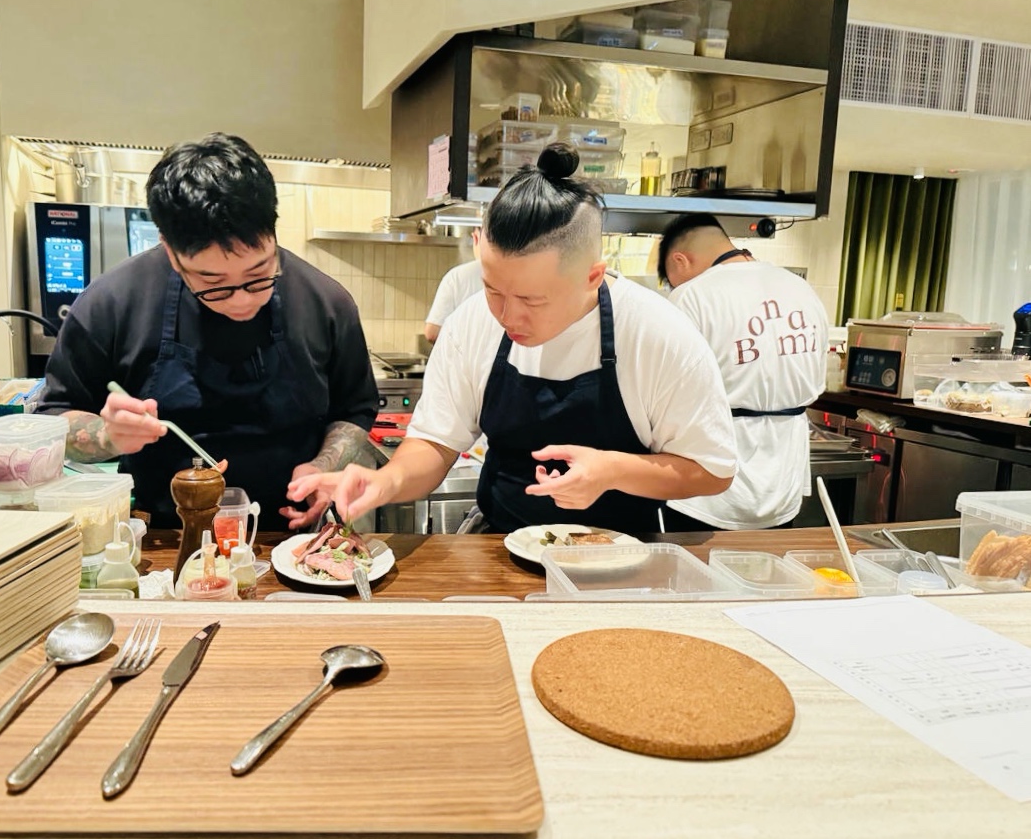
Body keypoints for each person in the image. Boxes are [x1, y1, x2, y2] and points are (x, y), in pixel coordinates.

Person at [290, 143, 738, 536]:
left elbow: (712, 470)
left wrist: (613, 470)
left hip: (622, 558)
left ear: (592, 277)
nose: (506, 315)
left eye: (531, 300)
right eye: (493, 290)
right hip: (497, 546)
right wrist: (386, 481)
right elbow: (436, 443)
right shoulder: (471, 323)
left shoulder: (658, 335)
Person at [37, 132, 378, 531]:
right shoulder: (111, 303)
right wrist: (106, 435)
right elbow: (53, 420)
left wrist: (323, 467)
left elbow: (354, 411)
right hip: (160, 539)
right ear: (170, 250)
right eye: (214, 284)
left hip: (290, 537)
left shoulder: (327, 303)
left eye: (259, 275)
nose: (241, 301)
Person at [658, 213, 829, 530]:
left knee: (694, 563)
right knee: (768, 561)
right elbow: (817, 383)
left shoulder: (691, 296)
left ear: (680, 261)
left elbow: (663, 393)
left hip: (706, 489)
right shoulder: (801, 289)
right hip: (783, 481)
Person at [424, 229, 484, 343]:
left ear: (476, 237)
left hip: (464, 353)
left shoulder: (457, 277)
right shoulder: (516, 273)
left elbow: (432, 333)